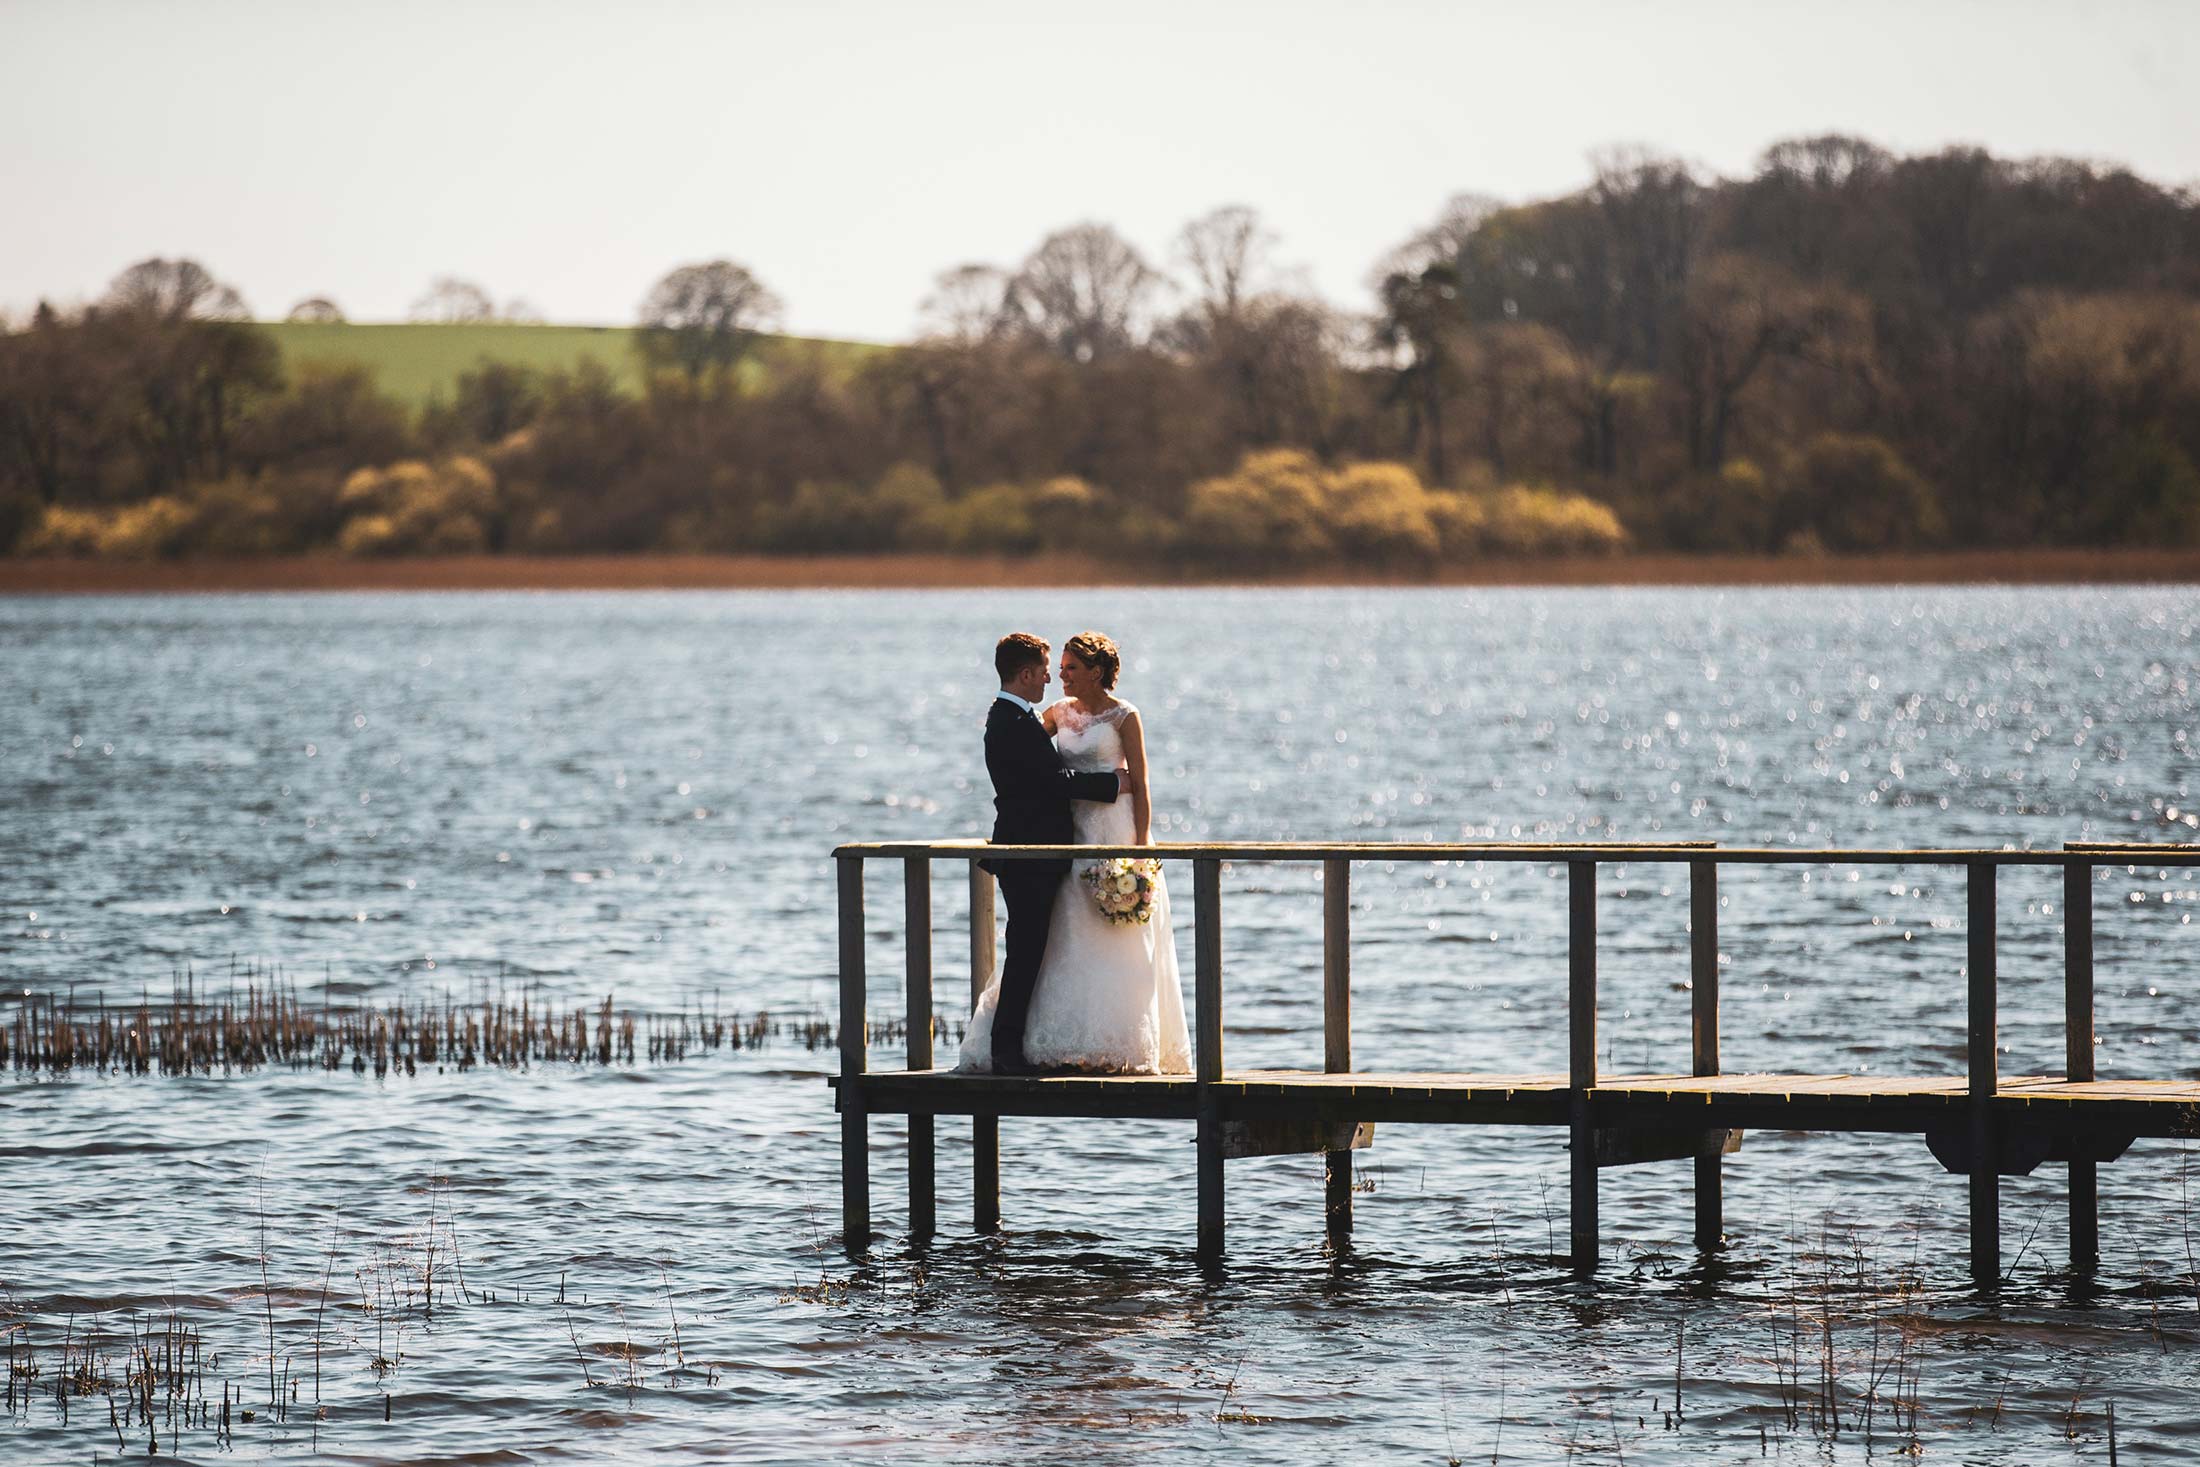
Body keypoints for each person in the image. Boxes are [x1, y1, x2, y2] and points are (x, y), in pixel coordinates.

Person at [962, 630, 1192, 1075]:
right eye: (1054, 668)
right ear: (1027, 673)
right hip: (1050, 843)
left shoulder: (1119, 716)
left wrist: (1140, 844)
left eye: (1068, 668)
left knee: (1067, 941)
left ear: (1096, 672)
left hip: (1101, 832)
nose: (1058, 676)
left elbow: (1139, 783)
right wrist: (1110, 783)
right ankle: (1016, 1047)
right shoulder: (1031, 718)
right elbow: (1043, 778)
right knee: (1044, 944)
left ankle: (1104, 1034)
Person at [970, 632, 1126, 1075]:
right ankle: (1005, 1052)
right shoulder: (1010, 722)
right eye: (1042, 671)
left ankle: (1010, 1046)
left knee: (1030, 947)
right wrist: (1114, 784)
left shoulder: (1016, 718)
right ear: (1024, 674)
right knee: (1025, 949)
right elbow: (1051, 782)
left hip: (1036, 852)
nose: (1048, 678)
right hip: (1027, 855)